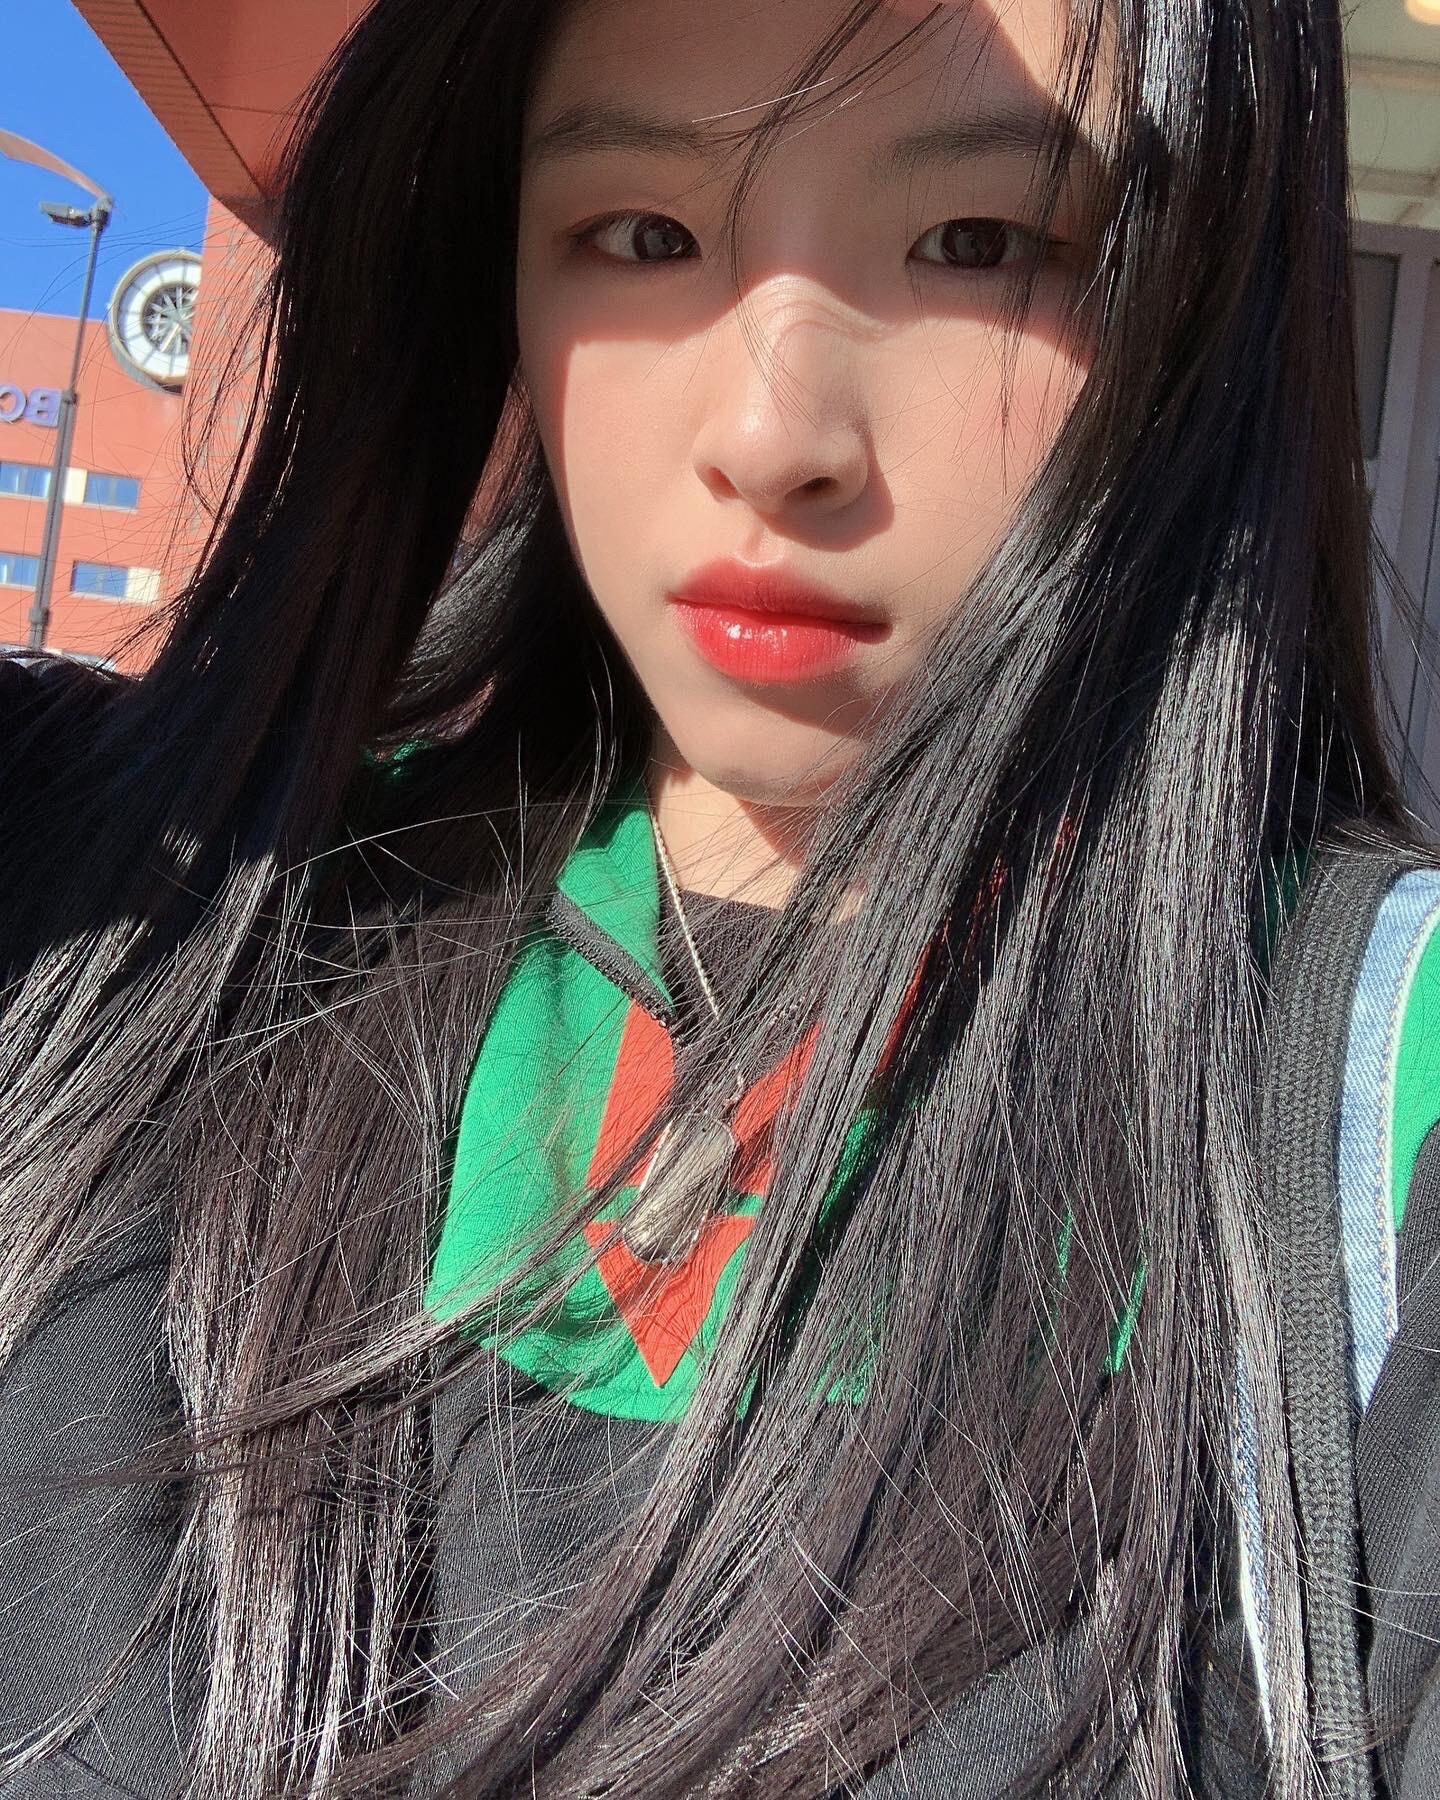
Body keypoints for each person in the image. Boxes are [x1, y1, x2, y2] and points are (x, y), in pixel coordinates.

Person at [0, 0, 1436, 1794]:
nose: (773, 434)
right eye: (642, 233)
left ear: (1203, 306)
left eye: (979, 244)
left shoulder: (1373, 1091)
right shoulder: (164, 912)